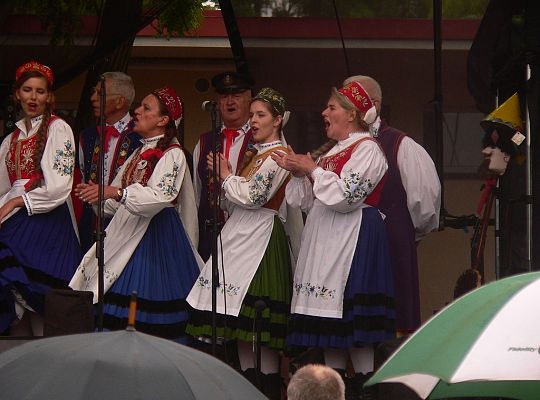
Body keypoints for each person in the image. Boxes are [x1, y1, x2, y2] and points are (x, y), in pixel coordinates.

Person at [272, 81, 395, 396]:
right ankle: (334, 388)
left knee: (355, 324)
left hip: (354, 237)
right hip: (329, 239)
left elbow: (346, 196)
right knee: (333, 327)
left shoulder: (367, 148)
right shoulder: (332, 151)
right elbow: (307, 201)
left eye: (331, 107)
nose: (324, 113)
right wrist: (300, 172)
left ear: (351, 114)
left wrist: (312, 169)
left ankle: (364, 389)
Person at [187, 88, 296, 399]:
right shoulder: (259, 155)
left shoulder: (278, 156)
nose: (254, 121)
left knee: (259, 330)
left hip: (260, 239)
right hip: (240, 236)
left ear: (278, 120)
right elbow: (235, 201)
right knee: (240, 328)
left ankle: (269, 390)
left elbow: (253, 197)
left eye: (260, 115)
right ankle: (249, 388)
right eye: (253, 116)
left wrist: (225, 176)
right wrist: (231, 178)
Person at [70, 86, 201, 343]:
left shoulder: (172, 154)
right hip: (126, 233)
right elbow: (116, 200)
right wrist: (96, 195)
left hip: (155, 240)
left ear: (163, 120)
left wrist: (115, 192)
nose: (137, 111)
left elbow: (160, 197)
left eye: (146, 108)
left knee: (143, 308)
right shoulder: (139, 151)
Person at [343, 75, 441, 336]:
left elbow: (425, 207)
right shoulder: (335, 149)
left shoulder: (402, 145)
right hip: (347, 250)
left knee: (392, 321)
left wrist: (402, 236)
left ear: (372, 104)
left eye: (348, 100)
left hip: (390, 247)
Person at [0, 61, 82, 336]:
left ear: (50, 96)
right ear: (17, 94)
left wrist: (16, 202)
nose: (33, 97)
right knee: (16, 298)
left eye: (40, 91)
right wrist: (7, 204)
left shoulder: (58, 129)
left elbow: (59, 187)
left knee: (43, 302)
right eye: (27, 90)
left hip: (46, 223)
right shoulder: (10, 139)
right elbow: (2, 188)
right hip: (15, 218)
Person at [193, 71, 254, 261]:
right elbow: (197, 191)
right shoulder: (204, 142)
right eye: (224, 96)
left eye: (236, 96)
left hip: (249, 235)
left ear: (249, 99)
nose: (230, 102)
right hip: (211, 236)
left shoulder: (262, 139)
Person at [77, 71, 141, 252]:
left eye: (100, 93)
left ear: (120, 101)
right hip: (91, 227)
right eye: (93, 92)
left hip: (129, 225)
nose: (92, 98)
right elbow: (82, 175)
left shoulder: (141, 136)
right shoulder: (87, 136)